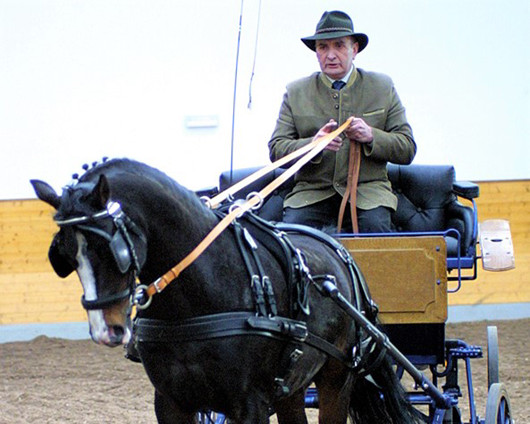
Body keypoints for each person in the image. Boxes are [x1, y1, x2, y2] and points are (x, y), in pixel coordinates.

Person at [268, 10, 416, 233]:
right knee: (292, 241)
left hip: (367, 195)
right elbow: (276, 150)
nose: (330, 55)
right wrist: (313, 145)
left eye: (339, 45)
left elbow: (407, 148)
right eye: (323, 47)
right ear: (316, 52)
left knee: (376, 238)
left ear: (354, 49)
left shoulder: (382, 87)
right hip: (312, 195)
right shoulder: (296, 92)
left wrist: (371, 136)